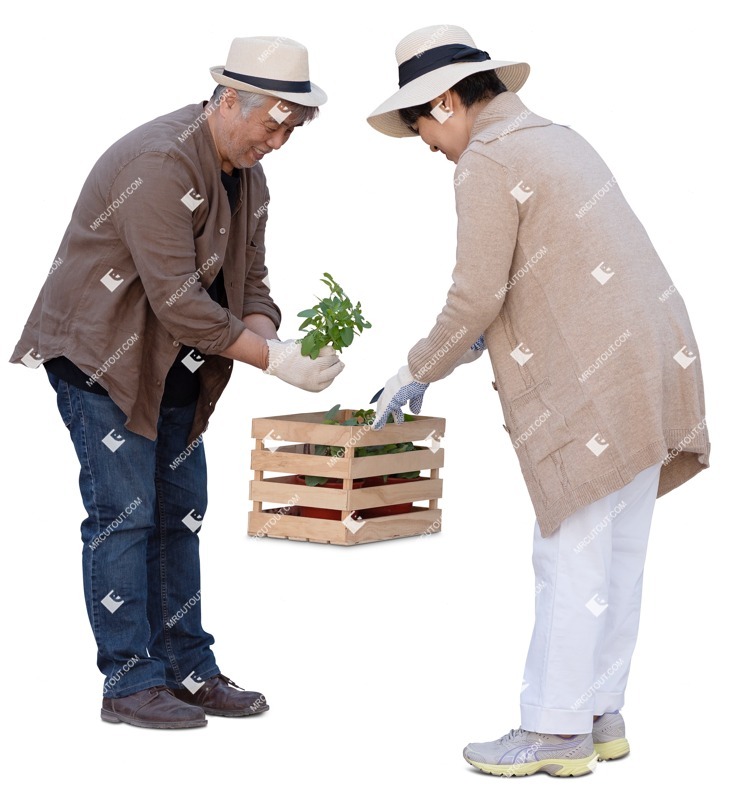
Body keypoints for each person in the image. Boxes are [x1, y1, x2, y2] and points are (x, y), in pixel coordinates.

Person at [367, 24, 709, 777]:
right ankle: (597, 711)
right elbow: (554, 266)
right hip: (652, 361)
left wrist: (413, 370)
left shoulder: (487, 158)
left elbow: (475, 295)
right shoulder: (555, 136)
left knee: (570, 554)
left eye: (425, 128)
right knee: (617, 551)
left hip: (596, 378)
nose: (432, 148)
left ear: (448, 100)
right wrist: (482, 339)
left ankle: (554, 732)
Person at [10, 36, 343, 729]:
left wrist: (275, 336)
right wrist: (270, 360)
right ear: (229, 99)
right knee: (125, 516)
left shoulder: (250, 177)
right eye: (273, 122)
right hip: (105, 358)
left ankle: (187, 668)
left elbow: (251, 283)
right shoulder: (160, 164)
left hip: (177, 366)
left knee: (182, 512)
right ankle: (129, 681)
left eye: (292, 127)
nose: (279, 139)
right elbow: (181, 302)